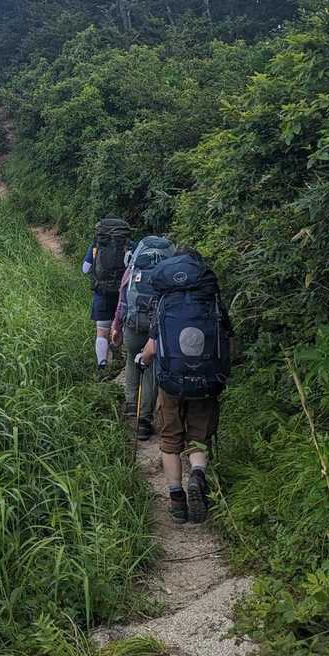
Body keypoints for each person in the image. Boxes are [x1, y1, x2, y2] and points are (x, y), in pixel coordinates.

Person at [133, 246, 232, 524]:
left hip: (171, 381)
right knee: (199, 434)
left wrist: (142, 359)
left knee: (170, 438)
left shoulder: (166, 300)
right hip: (206, 380)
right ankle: (197, 475)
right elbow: (228, 341)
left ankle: (177, 500)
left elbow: (152, 348)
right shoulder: (210, 298)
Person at [111, 234, 175, 439]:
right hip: (157, 329)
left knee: (132, 359)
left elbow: (122, 299)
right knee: (151, 367)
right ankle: (144, 420)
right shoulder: (171, 271)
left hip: (133, 325)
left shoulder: (133, 267)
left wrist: (116, 326)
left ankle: (131, 406)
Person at [82, 215, 131, 379]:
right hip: (123, 294)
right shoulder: (128, 243)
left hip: (101, 292)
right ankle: (120, 360)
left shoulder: (97, 243)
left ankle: (102, 366)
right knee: (121, 327)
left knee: (102, 331)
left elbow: (85, 268)